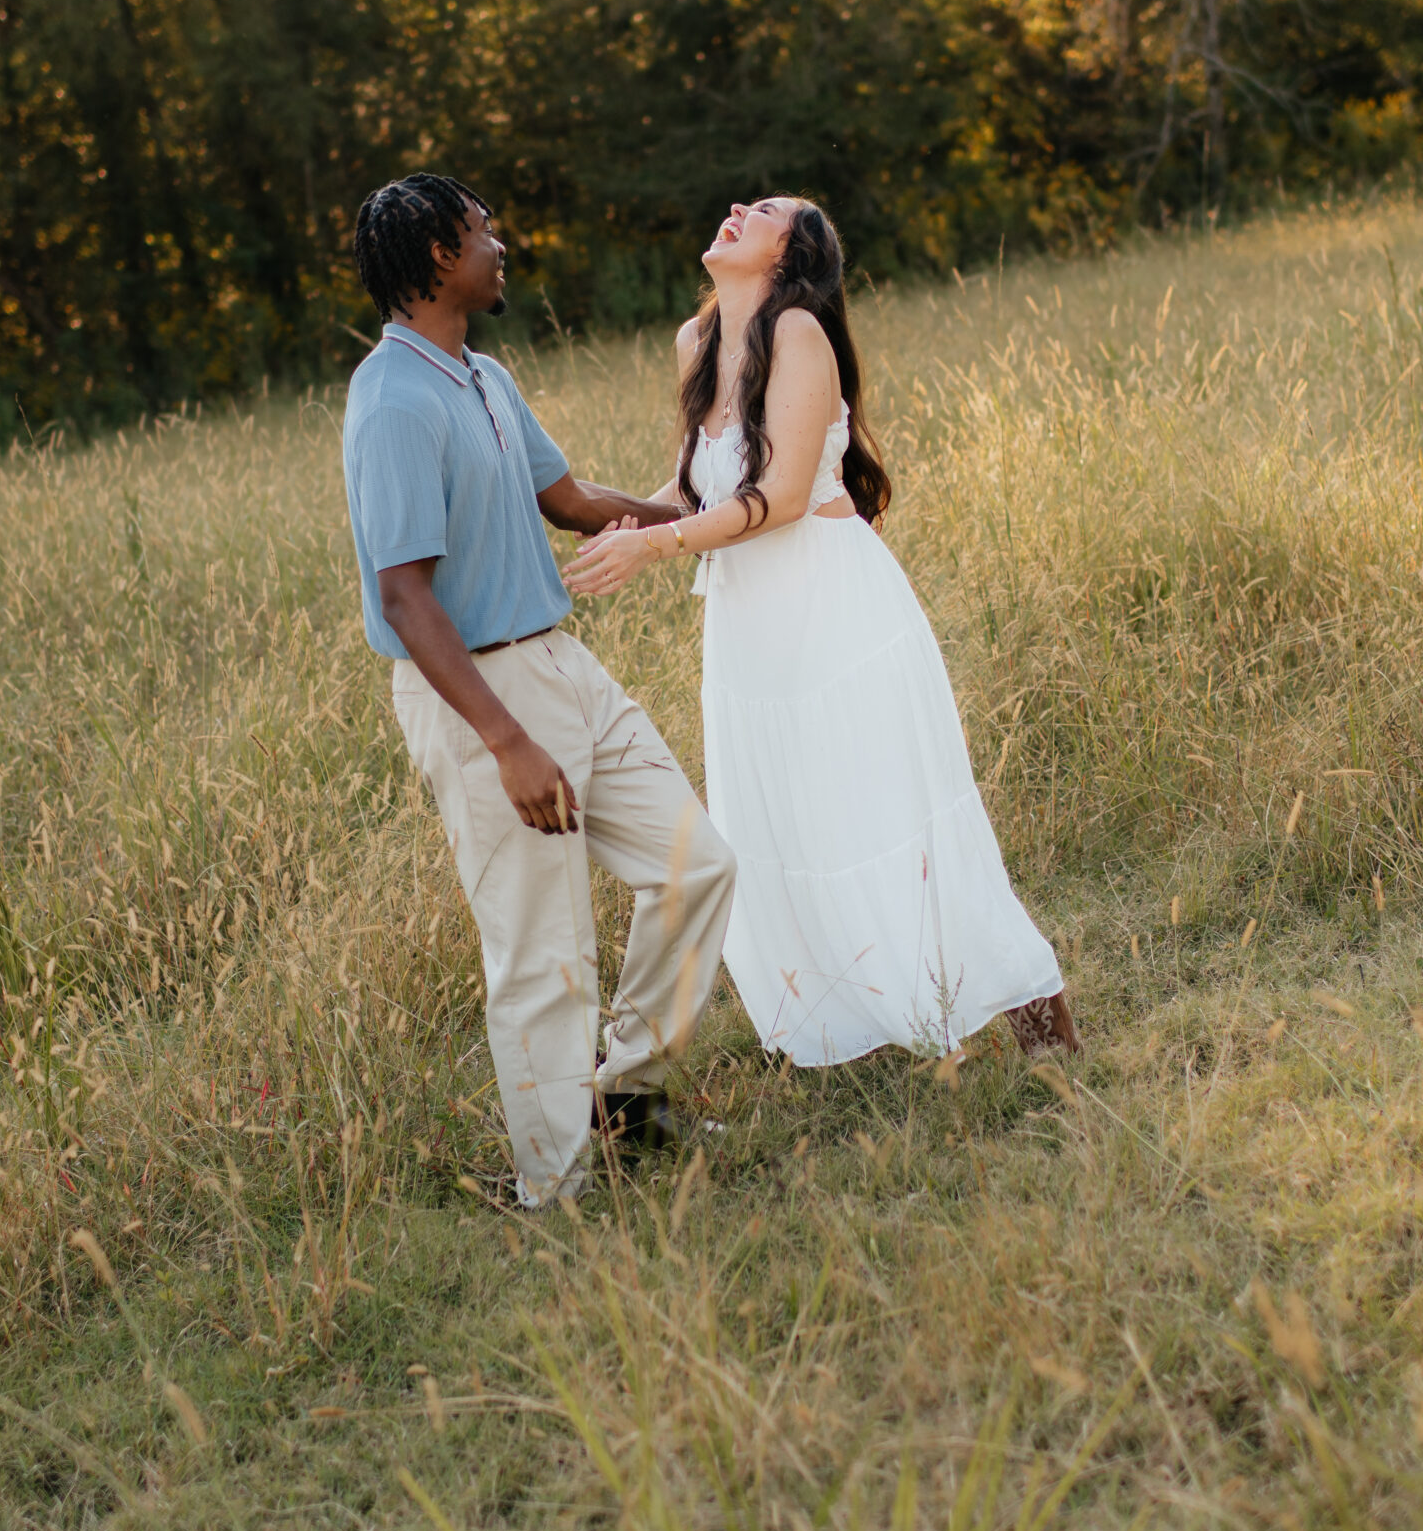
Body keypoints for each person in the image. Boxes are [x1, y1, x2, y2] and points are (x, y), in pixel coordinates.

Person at [570, 196, 1078, 1067]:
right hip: (749, 631)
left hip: (835, 616)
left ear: (789, 254)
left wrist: (658, 545)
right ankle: (864, 1023)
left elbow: (785, 495)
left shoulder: (798, 332)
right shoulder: (695, 344)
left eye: (762, 211)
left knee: (893, 816)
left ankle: (1044, 1035)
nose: (735, 208)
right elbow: (701, 488)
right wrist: (598, 518)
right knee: (792, 826)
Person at [341, 173, 737, 1208]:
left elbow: (569, 500)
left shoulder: (483, 375)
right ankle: (552, 1191)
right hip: (482, 696)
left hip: (564, 663)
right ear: (437, 257)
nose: (500, 243)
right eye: (482, 232)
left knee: (697, 864)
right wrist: (506, 741)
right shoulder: (390, 401)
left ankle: (625, 1098)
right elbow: (404, 595)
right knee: (543, 954)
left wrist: (696, 504)